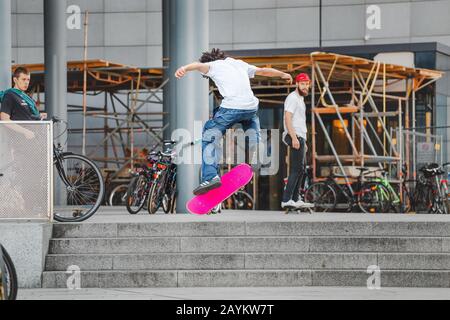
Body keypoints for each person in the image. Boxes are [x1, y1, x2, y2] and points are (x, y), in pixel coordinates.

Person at [175, 48, 293, 195]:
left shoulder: (213, 65)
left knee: (209, 134)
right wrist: (282, 74)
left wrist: (183, 68)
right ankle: (256, 145)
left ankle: (211, 177)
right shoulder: (240, 64)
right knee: (250, 118)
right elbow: (263, 71)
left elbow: (198, 65)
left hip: (232, 109)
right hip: (250, 107)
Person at [281, 73, 313, 209]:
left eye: (307, 84)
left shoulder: (300, 99)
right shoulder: (293, 98)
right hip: (294, 135)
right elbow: (288, 118)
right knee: (296, 169)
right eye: (302, 84)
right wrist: (294, 137)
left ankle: (295, 198)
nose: (305, 87)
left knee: (301, 169)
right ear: (297, 84)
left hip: (300, 137)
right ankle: (286, 199)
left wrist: (303, 142)